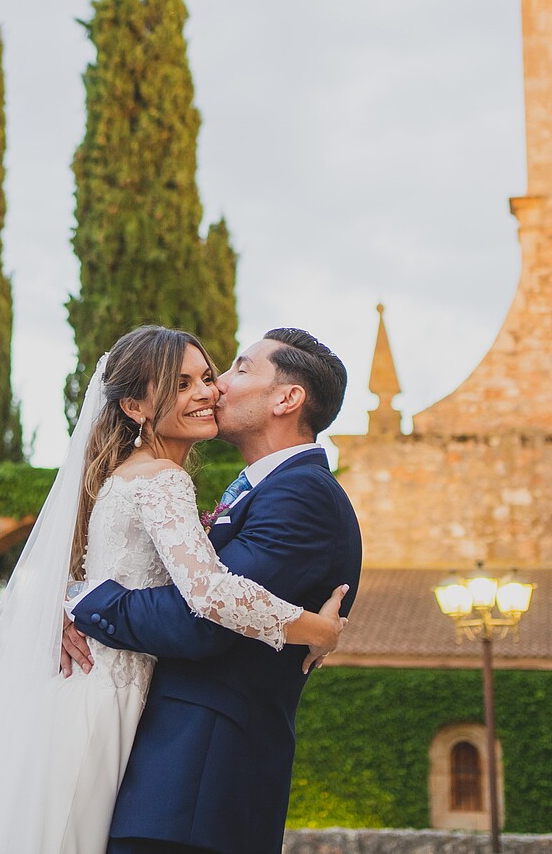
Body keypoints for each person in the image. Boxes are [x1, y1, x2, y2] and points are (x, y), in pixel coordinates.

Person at [0, 325, 350, 854]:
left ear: (288, 399)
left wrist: (72, 602)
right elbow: (209, 595)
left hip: (118, 703)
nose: (212, 388)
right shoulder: (164, 478)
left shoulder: (152, 477)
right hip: (108, 695)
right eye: (183, 383)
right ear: (134, 406)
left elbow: (182, 603)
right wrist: (316, 629)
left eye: (220, 373)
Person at [66, 327, 361, 854]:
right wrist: (70, 603)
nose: (217, 385)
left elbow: (199, 621)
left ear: (287, 399)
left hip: (197, 787)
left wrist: (86, 603)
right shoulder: (258, 490)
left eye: (239, 369)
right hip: (169, 781)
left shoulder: (302, 496)